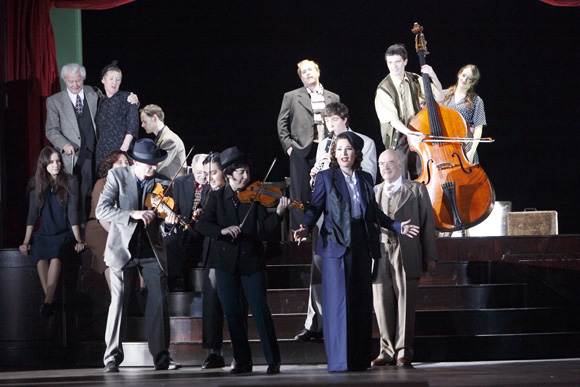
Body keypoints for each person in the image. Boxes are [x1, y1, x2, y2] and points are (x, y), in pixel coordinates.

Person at [293, 132, 419, 372]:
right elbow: (315, 207)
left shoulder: (364, 179)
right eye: (339, 149)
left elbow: (374, 214)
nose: (343, 154)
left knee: (360, 304)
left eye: (348, 149)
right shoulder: (326, 177)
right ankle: (340, 362)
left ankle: (360, 360)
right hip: (335, 247)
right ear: (334, 153)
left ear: (356, 154)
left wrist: (397, 225)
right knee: (338, 304)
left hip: (361, 244)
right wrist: (305, 227)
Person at [197, 147, 290, 374]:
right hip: (226, 265)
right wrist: (222, 231)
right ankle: (242, 360)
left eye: (247, 171)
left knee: (260, 310)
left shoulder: (256, 197)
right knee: (233, 313)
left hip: (252, 263)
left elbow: (265, 231)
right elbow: (203, 225)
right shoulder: (217, 198)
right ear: (228, 174)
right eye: (240, 172)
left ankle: (273, 359)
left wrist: (278, 214)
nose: (246, 177)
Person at [96, 138, 181, 372]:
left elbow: (164, 224)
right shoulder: (118, 177)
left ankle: (162, 357)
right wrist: (132, 213)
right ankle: (112, 356)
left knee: (159, 301)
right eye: (148, 165)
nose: (153, 169)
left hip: (151, 249)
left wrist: (171, 223)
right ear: (135, 162)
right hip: (123, 249)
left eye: (155, 164)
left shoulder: (162, 184)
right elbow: (102, 209)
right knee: (120, 301)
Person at [295, 102, 377, 342]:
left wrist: (337, 169)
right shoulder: (325, 146)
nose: (329, 125)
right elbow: (319, 188)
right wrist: (316, 177)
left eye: (333, 120)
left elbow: (367, 178)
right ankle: (315, 323)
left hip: (352, 221)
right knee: (319, 269)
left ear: (344, 118)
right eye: (326, 121)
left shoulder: (365, 142)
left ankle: (348, 325)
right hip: (328, 219)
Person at [371, 149, 437, 368]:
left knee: (405, 302)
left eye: (390, 162)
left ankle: (403, 351)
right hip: (380, 253)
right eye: (381, 163)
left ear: (400, 165)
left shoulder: (416, 190)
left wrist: (430, 256)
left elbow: (428, 224)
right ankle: (386, 350)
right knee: (382, 302)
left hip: (406, 252)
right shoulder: (374, 191)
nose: (385, 167)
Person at [19, 147, 85, 318]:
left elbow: (72, 213)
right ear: (44, 164)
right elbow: (32, 216)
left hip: (63, 232)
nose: (56, 165)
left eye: (58, 161)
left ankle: (48, 301)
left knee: (57, 253)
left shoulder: (70, 181)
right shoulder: (36, 183)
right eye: (51, 162)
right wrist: (25, 242)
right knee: (39, 252)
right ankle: (50, 299)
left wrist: (78, 239)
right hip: (45, 232)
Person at [277, 59, 340, 231]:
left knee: (327, 187)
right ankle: (301, 232)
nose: (307, 73)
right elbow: (281, 123)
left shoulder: (333, 97)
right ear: (301, 78)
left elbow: (338, 122)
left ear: (318, 72)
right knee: (300, 193)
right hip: (301, 149)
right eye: (303, 72)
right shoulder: (291, 96)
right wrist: (289, 146)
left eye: (310, 70)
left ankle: (329, 227)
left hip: (326, 149)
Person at [374, 44, 443, 179]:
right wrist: (410, 133)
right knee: (402, 177)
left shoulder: (415, 79)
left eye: (397, 62)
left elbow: (439, 98)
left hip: (418, 132)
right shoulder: (383, 88)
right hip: (399, 137)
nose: (394, 66)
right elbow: (393, 120)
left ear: (405, 61)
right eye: (390, 62)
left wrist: (433, 76)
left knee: (422, 173)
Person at [45, 63, 99, 222]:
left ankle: (92, 228)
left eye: (79, 80)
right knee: (76, 195)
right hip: (72, 157)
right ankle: (78, 231)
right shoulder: (54, 101)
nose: (75, 85)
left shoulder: (94, 93)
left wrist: (129, 98)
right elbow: (51, 130)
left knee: (93, 192)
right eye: (71, 81)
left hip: (95, 154)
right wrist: (64, 145)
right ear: (64, 80)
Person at [84, 150, 131, 289]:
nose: (124, 165)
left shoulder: (129, 186)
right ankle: (116, 298)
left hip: (118, 228)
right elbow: (102, 215)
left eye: (126, 162)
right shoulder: (102, 183)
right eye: (119, 162)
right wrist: (118, 237)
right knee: (111, 257)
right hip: (98, 227)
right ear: (110, 166)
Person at [95, 60, 139, 169]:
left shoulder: (127, 97)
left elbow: (132, 124)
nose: (114, 82)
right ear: (103, 80)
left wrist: (124, 147)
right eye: (111, 79)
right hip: (103, 151)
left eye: (117, 79)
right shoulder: (101, 101)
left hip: (122, 149)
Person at [441, 64, 486, 164]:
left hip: (465, 147)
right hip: (444, 146)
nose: (464, 79)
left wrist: (472, 151)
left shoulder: (477, 101)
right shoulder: (443, 95)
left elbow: (479, 128)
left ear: (473, 82)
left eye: (469, 78)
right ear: (459, 74)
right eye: (463, 75)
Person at [140, 104, 187, 179]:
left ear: (155, 118)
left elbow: (155, 166)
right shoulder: (162, 138)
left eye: (144, 121)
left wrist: (137, 169)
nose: (142, 125)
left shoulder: (170, 140)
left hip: (171, 188)